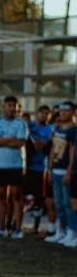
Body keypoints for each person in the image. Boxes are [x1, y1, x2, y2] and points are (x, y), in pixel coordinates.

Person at [0, 96, 28, 239]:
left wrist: (2, 141)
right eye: (9, 105)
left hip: (15, 165)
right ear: (4, 106)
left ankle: (17, 228)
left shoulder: (21, 124)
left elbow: (20, 143)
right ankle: (1, 227)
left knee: (16, 196)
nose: (11, 108)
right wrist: (9, 139)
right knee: (0, 196)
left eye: (14, 105)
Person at [45, 100, 77, 246]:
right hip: (55, 170)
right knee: (58, 204)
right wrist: (50, 170)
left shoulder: (73, 130)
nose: (63, 113)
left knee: (67, 204)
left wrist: (69, 171)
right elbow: (52, 150)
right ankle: (61, 230)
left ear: (73, 112)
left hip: (66, 171)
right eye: (61, 111)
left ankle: (72, 231)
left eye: (67, 110)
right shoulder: (57, 129)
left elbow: (72, 152)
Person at [25, 105, 54, 236]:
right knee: (25, 196)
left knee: (40, 198)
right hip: (27, 167)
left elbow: (46, 146)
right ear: (37, 114)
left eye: (46, 113)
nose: (44, 115)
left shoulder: (51, 129)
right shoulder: (31, 126)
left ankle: (36, 225)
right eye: (41, 112)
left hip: (42, 168)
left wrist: (41, 144)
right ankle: (15, 223)